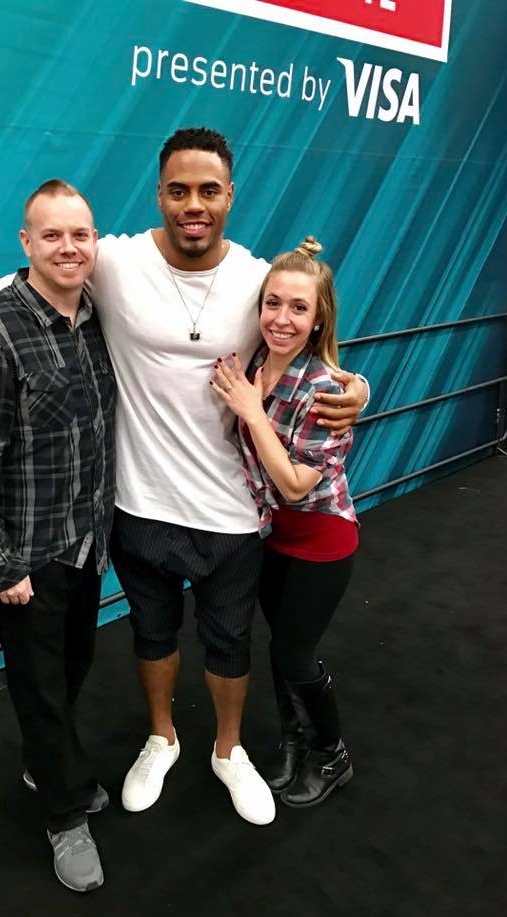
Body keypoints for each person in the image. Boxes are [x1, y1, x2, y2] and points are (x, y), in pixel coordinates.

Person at [0, 128, 369, 826]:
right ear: (160, 196)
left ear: (230, 196)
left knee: (230, 642)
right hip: (138, 504)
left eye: (208, 190)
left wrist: (358, 386)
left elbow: (304, 330)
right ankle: (161, 739)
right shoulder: (114, 260)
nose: (193, 204)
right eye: (179, 190)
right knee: (152, 634)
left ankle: (230, 751)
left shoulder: (255, 278)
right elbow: (12, 286)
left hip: (230, 509)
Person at [0, 180, 115, 892]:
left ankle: (47, 764)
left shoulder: (98, 316)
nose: (68, 247)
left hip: (85, 542)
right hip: (26, 558)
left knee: (71, 668)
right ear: (26, 243)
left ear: (94, 239)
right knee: (40, 689)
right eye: (52, 235)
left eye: (80, 234)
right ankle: (64, 816)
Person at [210, 237, 357, 809]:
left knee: (296, 653)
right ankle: (295, 745)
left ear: (319, 319)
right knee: (280, 650)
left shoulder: (325, 388)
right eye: (273, 303)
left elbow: (296, 485)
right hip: (274, 538)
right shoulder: (253, 365)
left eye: (299, 308)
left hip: (322, 539)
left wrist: (252, 412)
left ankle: (333, 755)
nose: (282, 318)